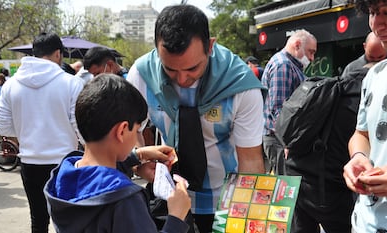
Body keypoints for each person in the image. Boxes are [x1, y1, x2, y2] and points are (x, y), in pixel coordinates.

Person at [127, 4, 265, 232]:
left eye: (192, 68)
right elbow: (132, 130)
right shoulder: (142, 75)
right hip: (169, 192)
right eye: (170, 69)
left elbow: (250, 161)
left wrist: (251, 216)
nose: (182, 79)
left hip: (225, 198)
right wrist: (138, 162)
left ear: (210, 46)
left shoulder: (240, 85)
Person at [44, 73, 191, 233]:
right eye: (135, 131)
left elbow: (95, 177)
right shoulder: (124, 200)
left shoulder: (64, 175)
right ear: (121, 131)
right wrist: (177, 217)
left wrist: (137, 156)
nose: (136, 136)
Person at [0, 32, 85, 233]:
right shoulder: (72, 83)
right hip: (65, 162)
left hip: (29, 162)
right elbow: (80, 126)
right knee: (70, 221)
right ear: (57, 54)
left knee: (38, 220)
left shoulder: (11, 85)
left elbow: (3, 127)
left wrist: (25, 131)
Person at [343, 0, 387, 232]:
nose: (377, 24)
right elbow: (361, 134)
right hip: (365, 222)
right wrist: (359, 157)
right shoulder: (374, 76)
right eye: (372, 13)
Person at [261, 29, 317, 175]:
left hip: (282, 139)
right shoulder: (283, 66)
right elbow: (278, 109)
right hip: (280, 140)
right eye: (310, 52)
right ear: (297, 44)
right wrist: (287, 141)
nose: (312, 58)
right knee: (286, 189)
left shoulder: (290, 65)